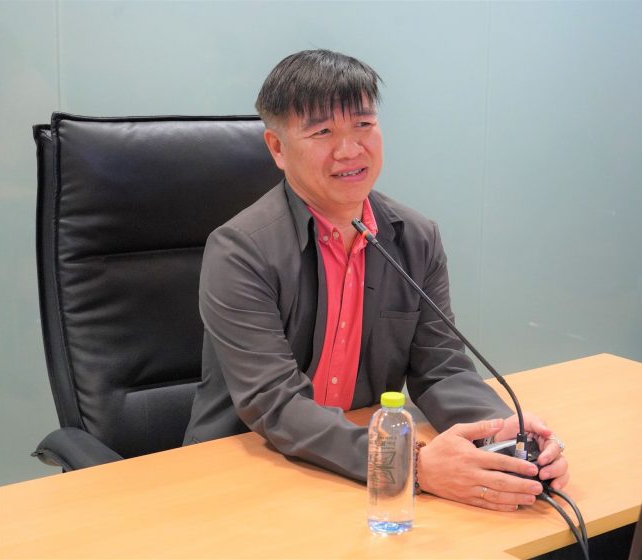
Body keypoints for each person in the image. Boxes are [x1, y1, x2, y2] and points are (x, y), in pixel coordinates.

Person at [184, 49, 568, 511]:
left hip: (351, 468)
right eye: (322, 132)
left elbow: (441, 369)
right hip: (244, 470)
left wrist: (502, 431)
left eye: (363, 124)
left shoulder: (415, 238)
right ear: (277, 148)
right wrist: (405, 463)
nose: (349, 150)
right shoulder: (239, 250)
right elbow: (275, 404)